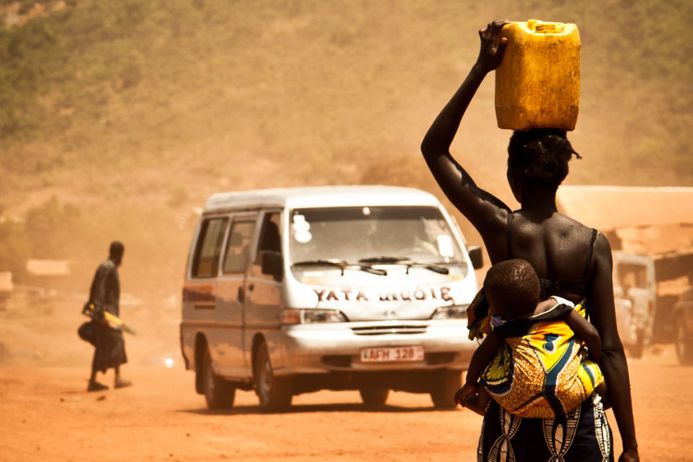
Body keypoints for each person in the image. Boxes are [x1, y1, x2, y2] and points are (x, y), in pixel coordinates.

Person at [420, 20, 638, 461]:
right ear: (563, 173)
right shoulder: (592, 243)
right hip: (579, 417)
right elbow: (610, 346)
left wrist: (482, 68)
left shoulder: (500, 227)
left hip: (512, 416)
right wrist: (630, 445)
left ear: (512, 176)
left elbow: (435, 149)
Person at [455, 259, 605, 424]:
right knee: (596, 374)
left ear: (501, 310)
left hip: (515, 400)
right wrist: (594, 359)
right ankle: (606, 398)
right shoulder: (558, 307)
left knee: (491, 367)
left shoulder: (503, 327)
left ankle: (476, 404)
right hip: (567, 395)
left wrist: (470, 383)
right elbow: (592, 335)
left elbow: (481, 355)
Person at [85, 241, 131, 392]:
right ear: (120, 255)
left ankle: (112, 378)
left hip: (111, 315)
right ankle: (100, 380)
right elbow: (99, 290)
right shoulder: (107, 268)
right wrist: (100, 314)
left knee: (114, 343)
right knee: (112, 343)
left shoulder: (110, 268)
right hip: (105, 315)